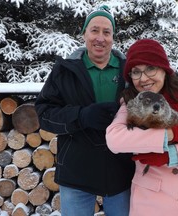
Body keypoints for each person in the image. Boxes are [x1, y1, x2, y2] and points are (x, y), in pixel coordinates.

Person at [106, 39, 178, 216]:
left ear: (163, 69)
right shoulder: (131, 103)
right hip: (151, 204)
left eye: (150, 68)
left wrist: (172, 155)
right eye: (136, 72)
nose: (144, 78)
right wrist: (168, 136)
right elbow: (114, 139)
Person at [35, 5, 135, 216]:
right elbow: (44, 115)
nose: (100, 37)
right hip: (76, 171)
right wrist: (81, 116)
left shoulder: (130, 71)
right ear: (84, 34)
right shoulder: (64, 70)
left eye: (106, 32)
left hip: (121, 171)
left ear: (113, 37)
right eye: (94, 30)